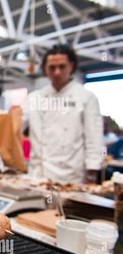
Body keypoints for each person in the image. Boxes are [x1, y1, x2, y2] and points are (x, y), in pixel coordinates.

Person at [22, 44, 104, 183]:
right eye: (52, 68)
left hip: (70, 177)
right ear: (45, 69)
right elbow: (17, 127)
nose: (57, 72)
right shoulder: (34, 98)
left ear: (71, 66)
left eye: (62, 66)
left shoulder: (86, 97)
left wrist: (91, 174)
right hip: (37, 174)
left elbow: (94, 138)